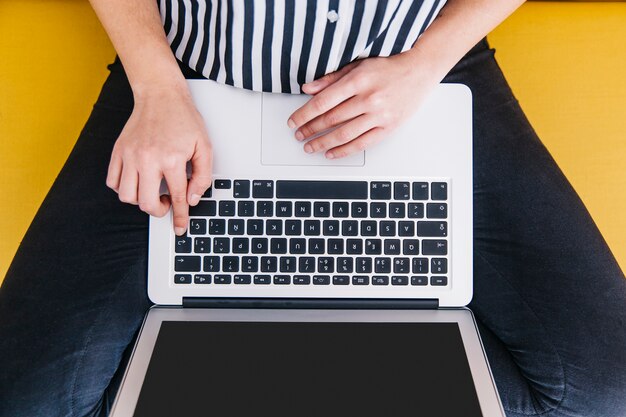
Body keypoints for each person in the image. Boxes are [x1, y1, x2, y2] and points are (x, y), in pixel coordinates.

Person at [1, 0, 625, 416]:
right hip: (178, 78)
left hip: (421, 74)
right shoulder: (164, 83)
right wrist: (156, 85)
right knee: (25, 398)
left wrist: (423, 65)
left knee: (605, 391)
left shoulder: (424, 70)